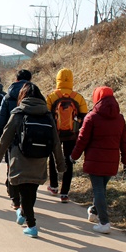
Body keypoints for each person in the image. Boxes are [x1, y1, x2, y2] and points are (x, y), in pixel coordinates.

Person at [0, 82, 65, 238]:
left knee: (23, 191)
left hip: (20, 158)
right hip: (40, 159)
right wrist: (61, 165)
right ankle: (23, 214)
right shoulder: (47, 115)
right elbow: (55, 141)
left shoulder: (19, 113)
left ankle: (31, 226)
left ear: (22, 96)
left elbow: (5, 138)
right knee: (31, 191)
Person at [70, 86, 126, 234]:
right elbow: (124, 142)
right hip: (112, 161)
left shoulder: (92, 117)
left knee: (98, 190)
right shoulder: (120, 118)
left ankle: (104, 222)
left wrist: (73, 156)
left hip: (94, 160)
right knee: (101, 189)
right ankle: (95, 211)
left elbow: (82, 140)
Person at [45, 68, 88, 203]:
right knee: (69, 160)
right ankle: (65, 193)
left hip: (55, 134)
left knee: (53, 158)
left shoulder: (52, 96)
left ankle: (53, 186)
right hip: (71, 135)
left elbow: (45, 115)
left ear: (58, 79)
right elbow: (84, 116)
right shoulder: (77, 97)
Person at [0, 69, 32, 209]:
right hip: (30, 136)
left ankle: (14, 196)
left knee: (11, 164)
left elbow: (1, 119)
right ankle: (24, 196)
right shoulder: (35, 95)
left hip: (12, 136)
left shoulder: (8, 96)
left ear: (16, 80)